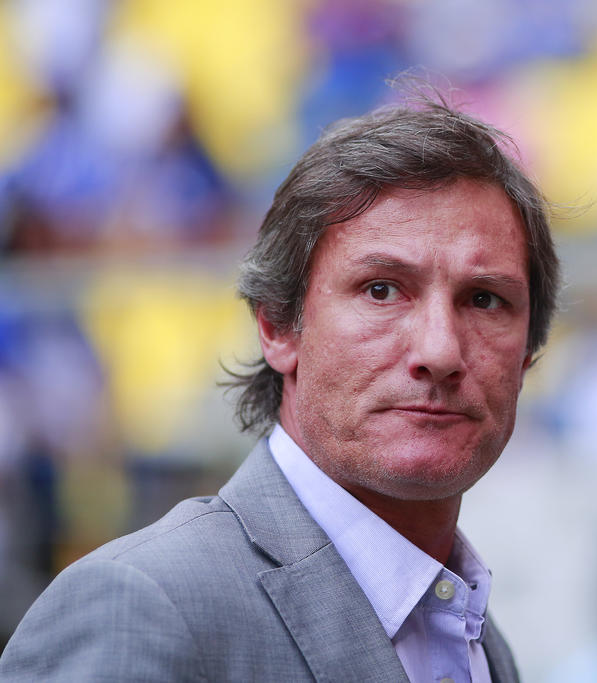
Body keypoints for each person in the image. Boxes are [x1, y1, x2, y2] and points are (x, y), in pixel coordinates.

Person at [0, 94, 560, 682]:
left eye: (485, 299)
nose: (440, 350)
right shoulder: (139, 609)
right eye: (381, 290)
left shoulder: (477, 637)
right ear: (276, 326)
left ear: (528, 355)